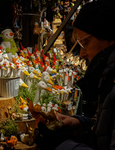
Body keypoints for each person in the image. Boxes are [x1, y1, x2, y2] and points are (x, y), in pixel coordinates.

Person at [34, 0, 115, 149]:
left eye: (86, 43)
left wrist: (61, 145)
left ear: (108, 37)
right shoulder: (107, 76)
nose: (82, 53)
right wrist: (82, 124)